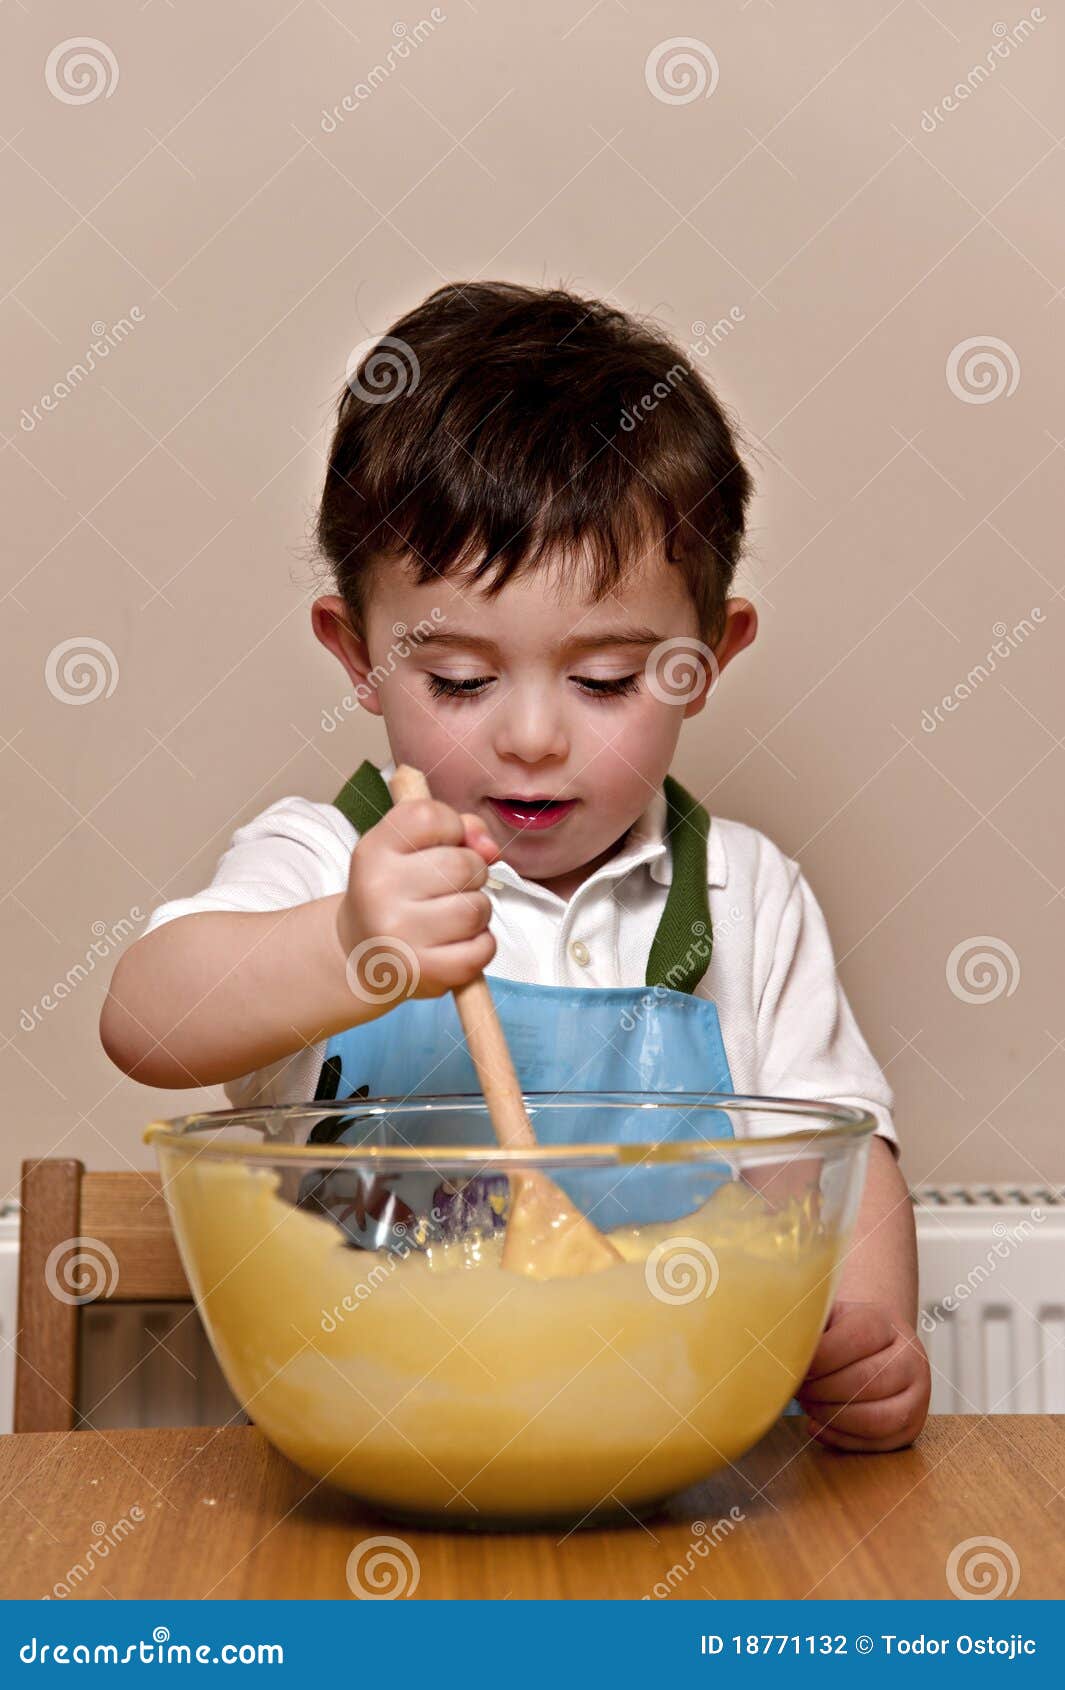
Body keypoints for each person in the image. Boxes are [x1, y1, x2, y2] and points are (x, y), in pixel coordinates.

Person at [101, 280, 930, 1453]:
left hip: (674, 1449)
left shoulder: (747, 897)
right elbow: (148, 1020)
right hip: (371, 1440)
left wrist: (868, 1333)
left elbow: (836, 1159)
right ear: (357, 654)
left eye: (605, 680)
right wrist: (346, 944)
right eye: (457, 681)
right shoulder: (328, 860)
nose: (533, 737)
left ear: (711, 656)